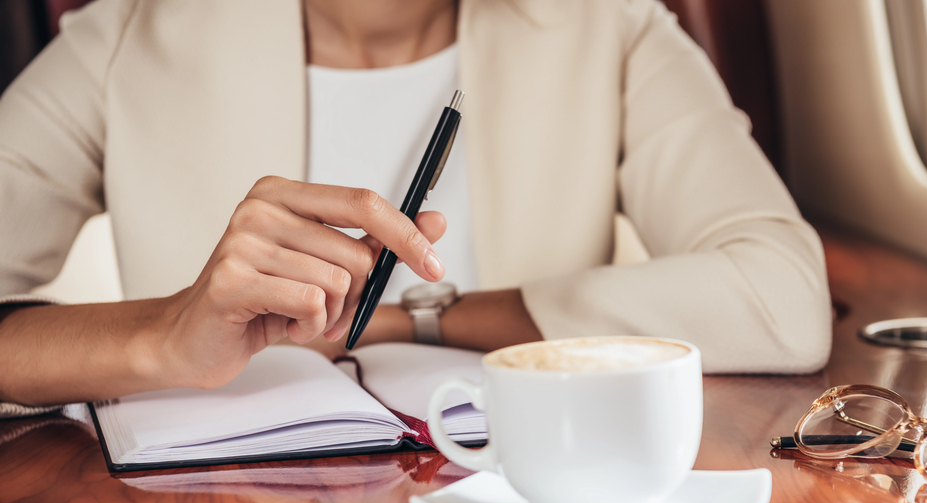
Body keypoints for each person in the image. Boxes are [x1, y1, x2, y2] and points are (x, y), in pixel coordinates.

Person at [0, 0, 832, 418]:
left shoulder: (608, 26)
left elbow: (783, 298)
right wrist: (161, 335)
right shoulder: (127, 36)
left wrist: (420, 319)